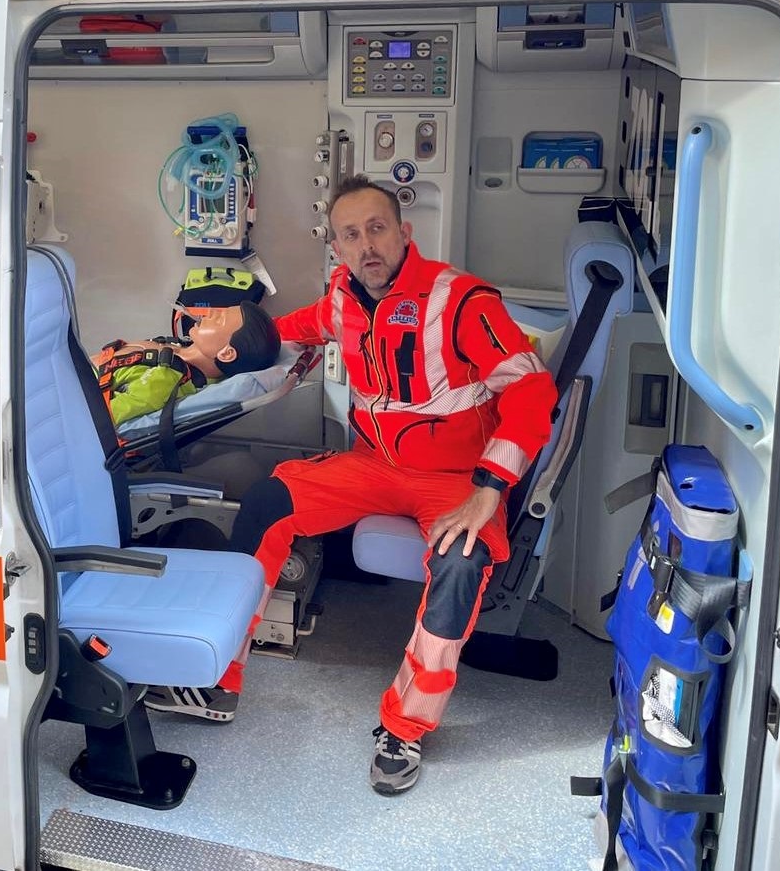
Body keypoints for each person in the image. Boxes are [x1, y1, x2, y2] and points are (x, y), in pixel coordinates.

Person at [145, 175, 558, 796]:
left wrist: (489, 488)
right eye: (350, 235)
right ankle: (217, 680)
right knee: (268, 502)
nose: (367, 245)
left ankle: (406, 728)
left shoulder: (461, 300)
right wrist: (217, 348)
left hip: (455, 480)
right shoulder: (342, 297)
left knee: (460, 562)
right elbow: (296, 328)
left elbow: (531, 389)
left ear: (403, 233)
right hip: (375, 467)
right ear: (336, 246)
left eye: (377, 229)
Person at [94, 302, 282, 428]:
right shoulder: (179, 348)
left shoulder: (166, 378)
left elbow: (98, 418)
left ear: (226, 354)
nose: (210, 312)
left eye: (219, 319)